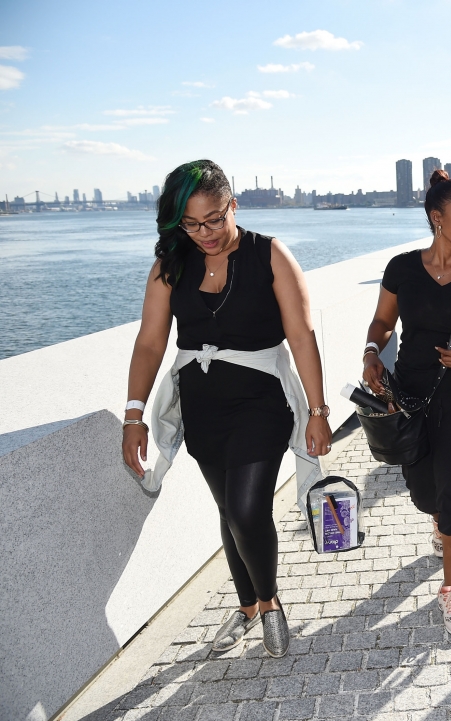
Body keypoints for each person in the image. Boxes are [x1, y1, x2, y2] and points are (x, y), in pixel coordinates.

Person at [122, 159, 333, 658]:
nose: (205, 233)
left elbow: (302, 337)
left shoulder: (270, 254)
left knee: (246, 507)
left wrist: (319, 412)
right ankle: (245, 607)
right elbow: (150, 344)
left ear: (233, 204)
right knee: (228, 509)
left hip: (263, 401)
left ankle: (269, 602)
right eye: (191, 224)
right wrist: (134, 416)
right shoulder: (170, 264)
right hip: (202, 407)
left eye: (215, 218)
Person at [362, 170, 451, 635]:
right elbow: (383, 322)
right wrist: (371, 353)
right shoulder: (402, 269)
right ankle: (440, 519)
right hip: (412, 394)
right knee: (426, 489)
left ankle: (450, 589)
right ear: (436, 218)